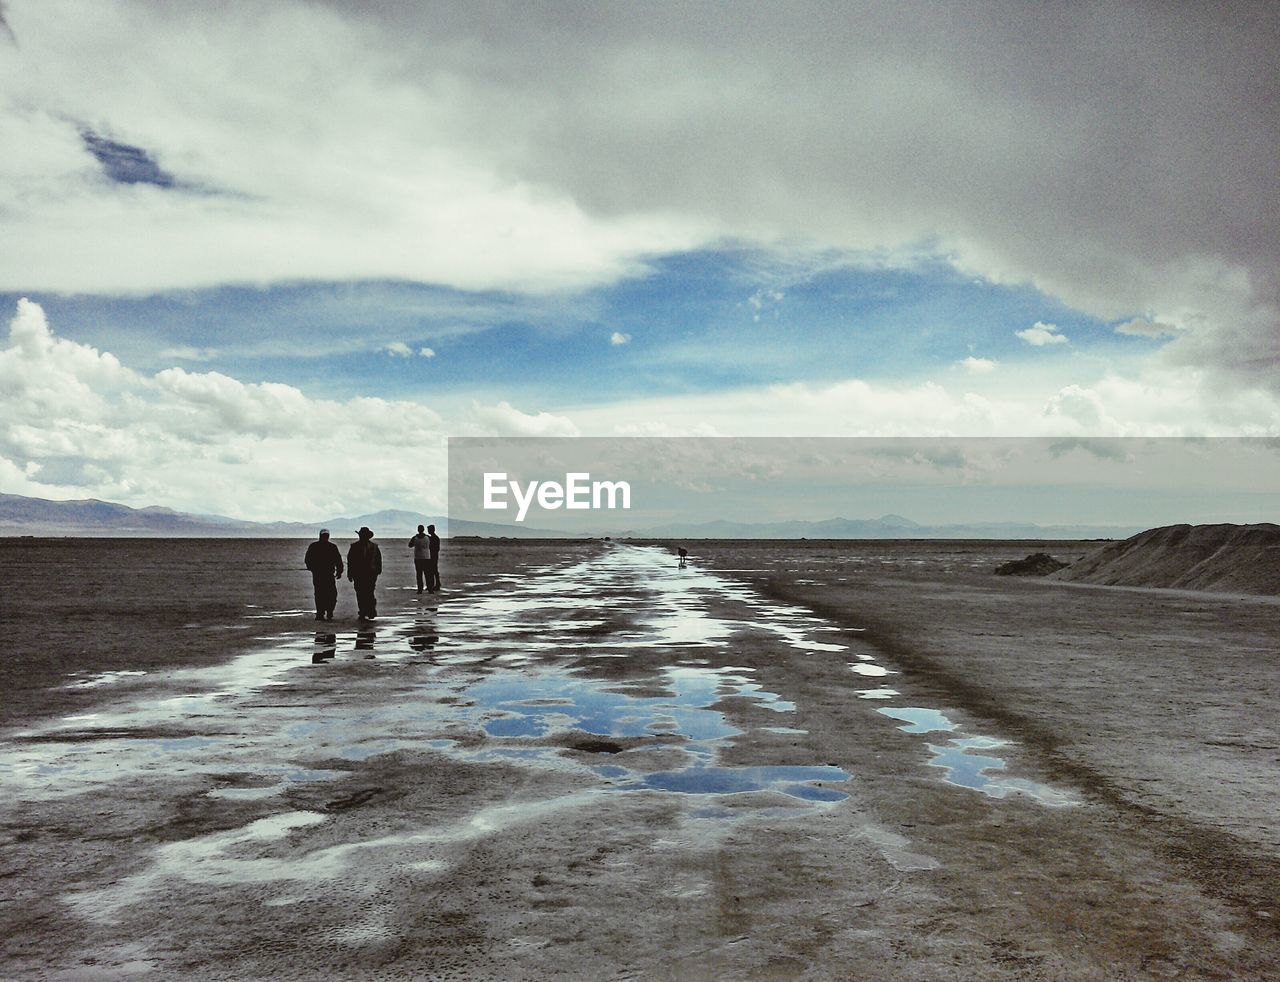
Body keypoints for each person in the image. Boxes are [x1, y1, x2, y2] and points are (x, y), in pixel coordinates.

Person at [304, 529, 343, 621]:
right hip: (318, 574)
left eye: (326, 536)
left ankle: (329, 611)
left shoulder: (332, 547)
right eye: (324, 536)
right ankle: (320, 612)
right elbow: (308, 559)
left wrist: (339, 571)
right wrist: (312, 568)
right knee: (319, 593)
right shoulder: (314, 546)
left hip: (329, 574)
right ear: (320, 536)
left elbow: (338, 560)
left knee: (332, 594)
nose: (325, 537)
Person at [347, 526, 382, 621]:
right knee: (360, 593)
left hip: (371, 573)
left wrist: (378, 570)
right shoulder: (354, 546)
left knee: (369, 592)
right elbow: (350, 561)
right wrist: (350, 573)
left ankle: (370, 611)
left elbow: (378, 559)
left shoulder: (374, 547)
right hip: (358, 574)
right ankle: (363, 611)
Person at [408, 524, 431, 594]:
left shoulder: (415, 538)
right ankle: (430, 589)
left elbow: (410, 545)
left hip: (418, 558)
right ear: (423, 530)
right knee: (427, 574)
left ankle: (420, 589)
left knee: (419, 574)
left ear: (418, 530)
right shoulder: (428, 537)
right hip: (426, 557)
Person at [427, 523, 442, 593]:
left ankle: (436, 584)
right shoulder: (434, 538)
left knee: (433, 571)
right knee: (433, 570)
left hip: (433, 556)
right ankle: (434, 584)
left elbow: (436, 548)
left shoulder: (434, 538)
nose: (428, 531)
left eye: (429, 530)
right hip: (433, 556)